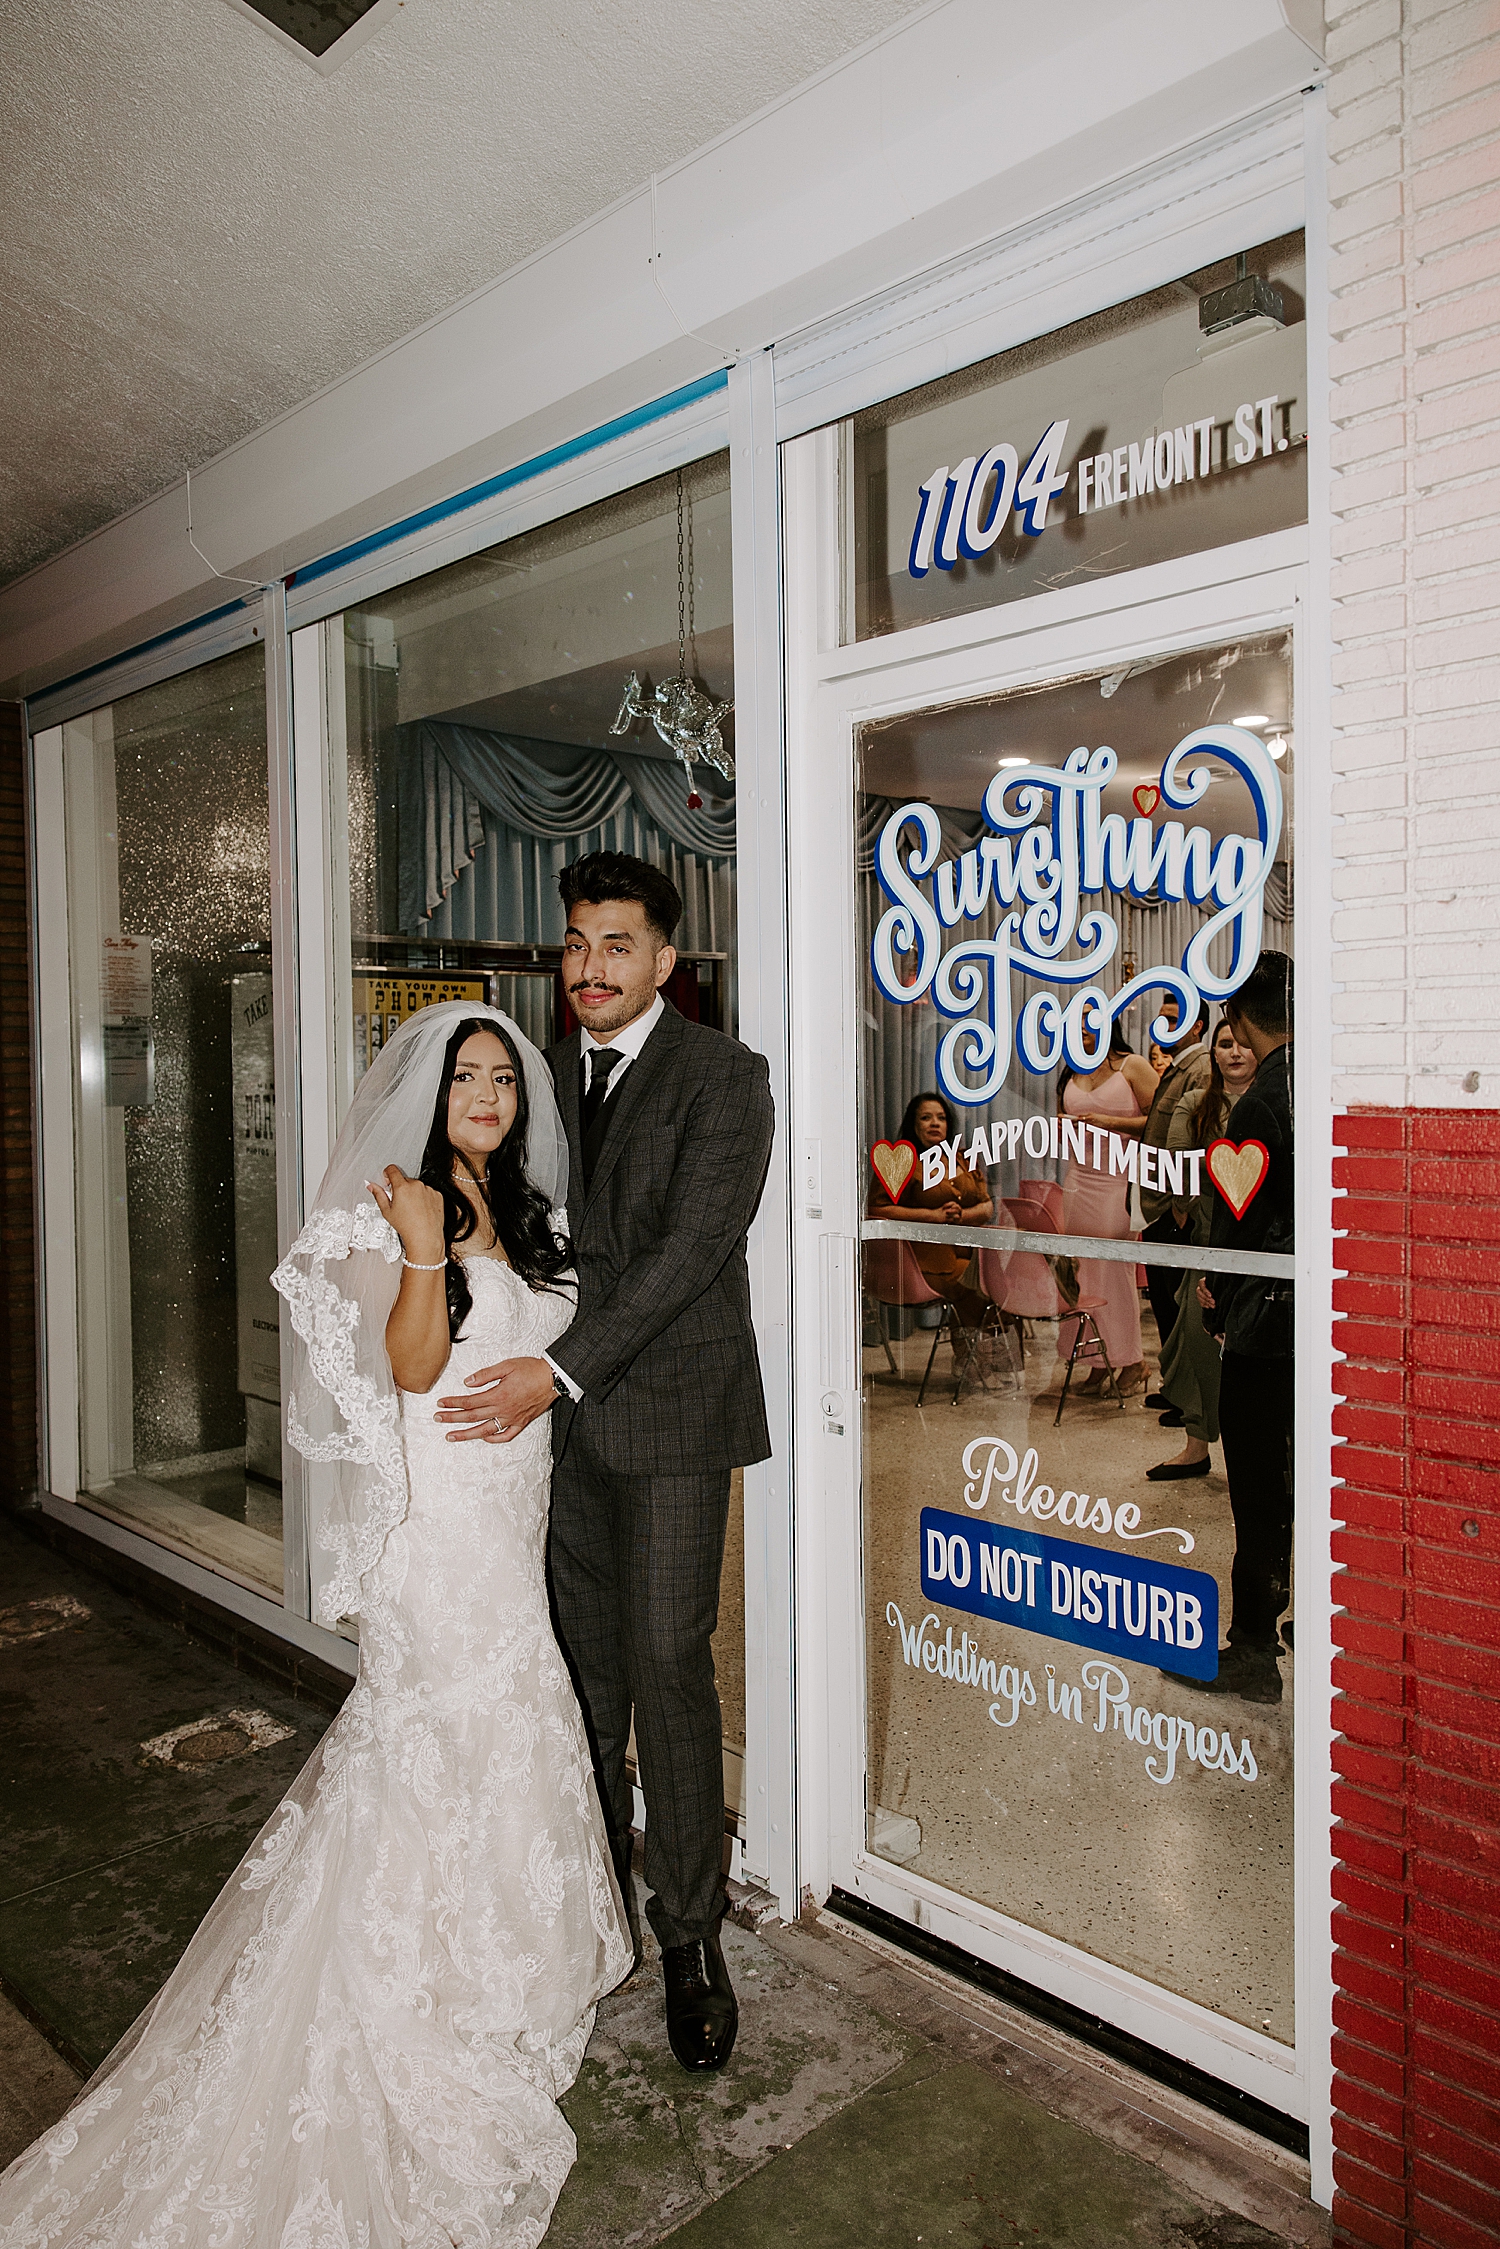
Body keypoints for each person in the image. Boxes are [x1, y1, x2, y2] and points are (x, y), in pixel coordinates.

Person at [0, 1004, 631, 2249]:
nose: (491, 1096)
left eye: (507, 1077)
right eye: (469, 1078)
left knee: (507, 1720)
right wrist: (417, 1251)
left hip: (508, 1519)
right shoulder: (405, 1201)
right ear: (427, 1091)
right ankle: (418, 1987)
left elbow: (542, 1336)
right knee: (440, 1735)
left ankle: (502, 1961)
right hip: (439, 1537)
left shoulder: (522, 1203)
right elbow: (407, 1368)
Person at [432, 852, 774, 2077]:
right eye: (577, 942)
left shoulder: (727, 1078)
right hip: (550, 1435)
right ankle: (578, 1912)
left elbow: (689, 1253)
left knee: (669, 1665)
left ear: (665, 961)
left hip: (672, 1415)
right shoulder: (533, 1075)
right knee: (577, 1673)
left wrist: (559, 1367)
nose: (589, 966)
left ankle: (690, 1935)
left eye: (616, 944)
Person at [1188, 952, 1295, 1705]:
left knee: (1256, 1481)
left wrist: (1216, 1296)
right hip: (1305, 1318)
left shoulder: (1261, 1101)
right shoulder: (1319, 1079)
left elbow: (1242, 1220)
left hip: (1265, 1319)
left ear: (1248, 1018)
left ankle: (1253, 1642)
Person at [1148, 1016, 1259, 1479]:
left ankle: (1262, 1455)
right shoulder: (1195, 1102)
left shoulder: (1275, 1102)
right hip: (1206, 1247)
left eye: (1242, 1044)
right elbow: (1177, 1171)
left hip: (1260, 1253)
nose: (1234, 1052)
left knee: (1251, 1357)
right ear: (1212, 1053)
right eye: (1225, 1044)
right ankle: (1196, 1447)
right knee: (1196, 1344)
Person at [1058, 1020, 1157, 1395]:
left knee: (1114, 1273)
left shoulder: (1131, 1066)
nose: (1082, 1029)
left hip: (1117, 1184)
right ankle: (1096, 1362)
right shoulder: (1070, 1069)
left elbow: (1159, 1122)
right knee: (1084, 1274)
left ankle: (1133, 1362)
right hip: (1078, 1181)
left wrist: (1109, 1122)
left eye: (1090, 1020)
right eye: (1076, 1023)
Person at [866, 1088, 995, 1344]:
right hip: (922, 1260)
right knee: (981, 1290)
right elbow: (877, 1210)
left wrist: (963, 1215)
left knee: (1006, 1282)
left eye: (941, 1117)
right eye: (926, 1117)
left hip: (970, 1253)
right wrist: (933, 1216)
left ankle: (993, 1361)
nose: (935, 1123)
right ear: (913, 1124)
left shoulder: (964, 1158)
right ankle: (979, 1360)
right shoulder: (901, 1160)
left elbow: (987, 1207)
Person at [1136, 996, 1212, 1385]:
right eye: (1161, 1019)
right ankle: (1174, 1388)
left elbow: (1193, 1144)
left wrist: (1182, 1207)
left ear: (1197, 1026)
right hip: (1159, 1206)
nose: (1162, 1026)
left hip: (1174, 1207)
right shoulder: (1177, 1068)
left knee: (1178, 1306)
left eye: (1173, 1019)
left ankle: (1185, 1398)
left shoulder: (1200, 1070)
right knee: (1165, 1305)